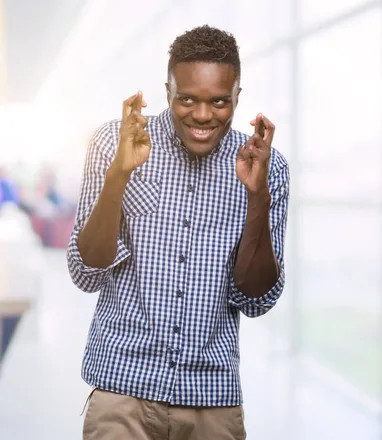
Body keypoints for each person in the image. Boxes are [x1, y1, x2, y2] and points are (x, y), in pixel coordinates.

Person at [67, 25, 289, 440]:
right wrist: (120, 173)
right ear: (166, 90)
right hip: (121, 390)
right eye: (186, 99)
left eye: (220, 102)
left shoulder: (267, 167)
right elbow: (86, 271)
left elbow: (257, 297)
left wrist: (256, 196)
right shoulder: (112, 144)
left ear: (238, 96)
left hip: (211, 399)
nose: (203, 116)